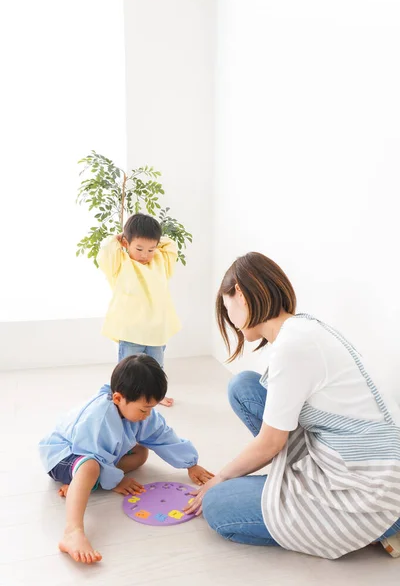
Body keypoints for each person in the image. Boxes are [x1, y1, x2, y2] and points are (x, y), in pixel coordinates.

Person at [185, 252, 400, 559]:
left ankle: (378, 527)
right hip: (361, 459)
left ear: (242, 296)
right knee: (244, 386)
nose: (228, 316)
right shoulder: (302, 329)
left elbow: (270, 443)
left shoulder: (293, 347)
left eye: (226, 304)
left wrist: (220, 477)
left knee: (218, 505)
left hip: (371, 490)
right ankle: (293, 490)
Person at [39, 354, 213, 564]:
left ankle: (83, 484)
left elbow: (161, 434)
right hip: (65, 455)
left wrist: (190, 464)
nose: (148, 415)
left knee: (141, 453)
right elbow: (90, 453)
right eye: (143, 409)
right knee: (90, 468)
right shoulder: (98, 417)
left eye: (151, 408)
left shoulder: (139, 410)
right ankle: (72, 531)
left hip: (96, 456)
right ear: (118, 399)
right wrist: (116, 481)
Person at [97, 213, 181, 406]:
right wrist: (117, 239)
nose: (145, 255)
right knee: (128, 368)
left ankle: (155, 396)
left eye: (151, 249)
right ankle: (123, 397)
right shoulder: (120, 264)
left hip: (156, 331)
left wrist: (155, 244)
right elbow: (105, 252)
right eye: (139, 248)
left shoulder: (160, 262)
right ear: (126, 244)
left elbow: (170, 245)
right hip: (131, 330)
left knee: (156, 368)